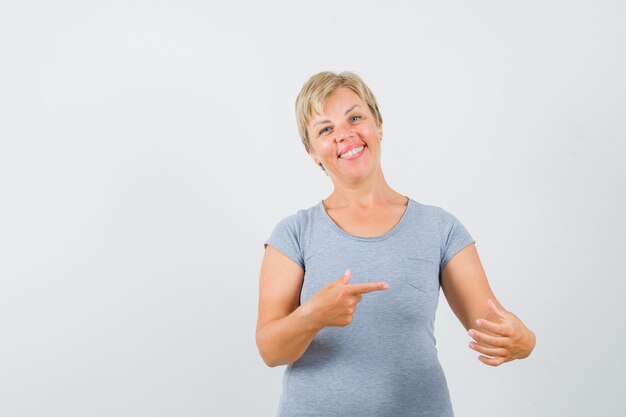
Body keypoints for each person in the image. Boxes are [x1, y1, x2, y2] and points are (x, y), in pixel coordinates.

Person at [256, 71, 536, 417]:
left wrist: (523, 341)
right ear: (312, 152)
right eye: (326, 129)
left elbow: (493, 322)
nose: (344, 134)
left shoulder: (440, 228)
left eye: (355, 117)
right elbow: (270, 350)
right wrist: (314, 315)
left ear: (379, 126)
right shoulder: (293, 234)